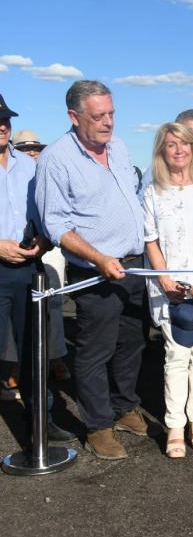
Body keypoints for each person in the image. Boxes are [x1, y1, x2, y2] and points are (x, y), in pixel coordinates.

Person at [35, 80, 151, 460]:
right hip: (96, 272)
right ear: (74, 116)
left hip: (133, 268)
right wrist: (100, 257)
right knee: (94, 351)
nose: (108, 123)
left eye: (111, 114)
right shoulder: (57, 158)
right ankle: (98, 425)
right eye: (98, 116)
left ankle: (123, 406)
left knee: (132, 343)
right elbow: (56, 225)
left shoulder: (117, 148)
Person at [0, 95, 75, 444]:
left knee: (34, 349)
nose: (2, 124)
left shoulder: (30, 166)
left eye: (5, 118)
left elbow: (49, 213)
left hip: (28, 268)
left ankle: (40, 420)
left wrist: (44, 241)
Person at [142, 122, 193, 458]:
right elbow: (151, 240)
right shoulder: (152, 191)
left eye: (184, 144)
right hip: (169, 286)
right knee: (175, 356)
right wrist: (163, 278)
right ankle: (174, 423)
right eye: (171, 144)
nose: (178, 150)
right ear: (162, 150)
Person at [6, 130, 70, 383]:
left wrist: (47, 239)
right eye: (25, 149)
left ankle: (55, 358)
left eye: (35, 148)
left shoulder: (45, 171)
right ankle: (15, 366)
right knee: (15, 315)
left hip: (45, 246)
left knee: (52, 306)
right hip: (14, 249)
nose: (32, 152)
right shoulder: (14, 172)